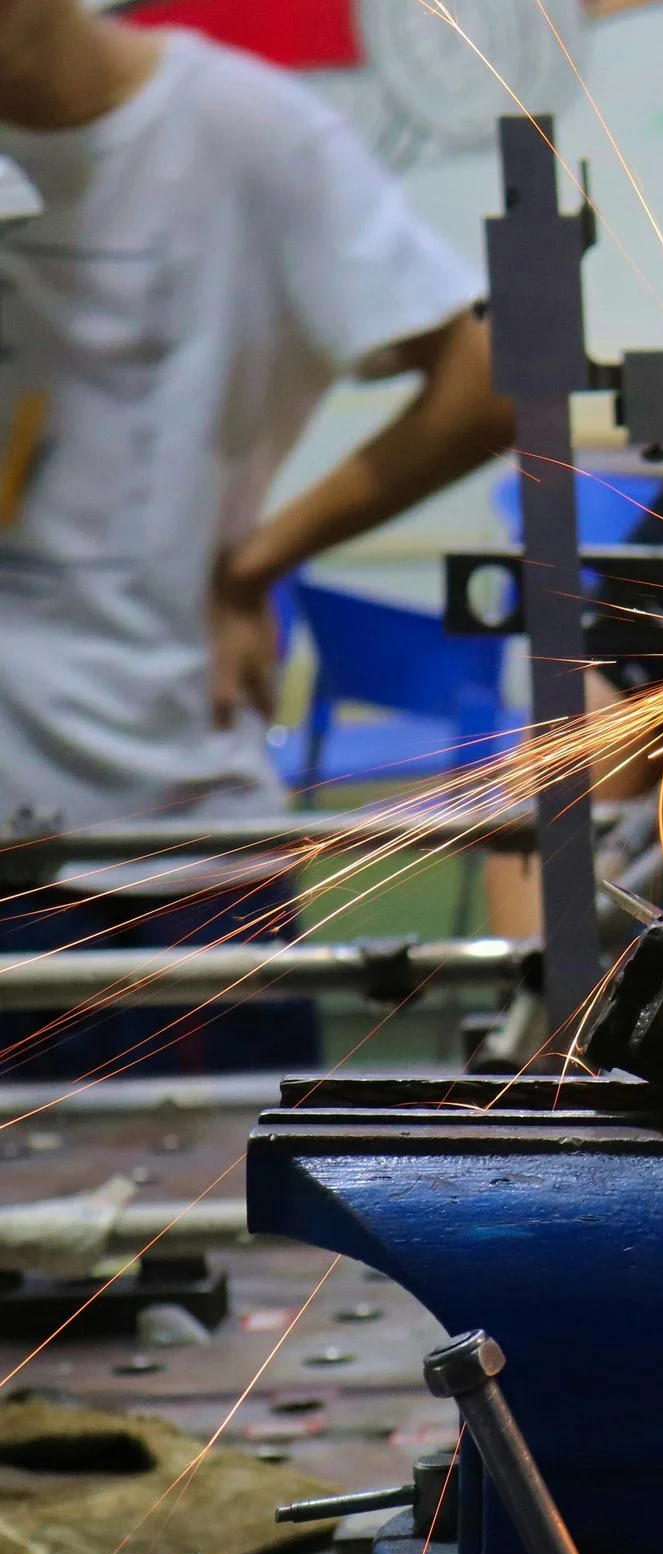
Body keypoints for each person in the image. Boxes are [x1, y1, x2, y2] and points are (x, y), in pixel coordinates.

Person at [0, 0, 512, 1075]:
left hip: (170, 846)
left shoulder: (239, 134)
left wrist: (254, 563)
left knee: (209, 1174)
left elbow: (489, 379)